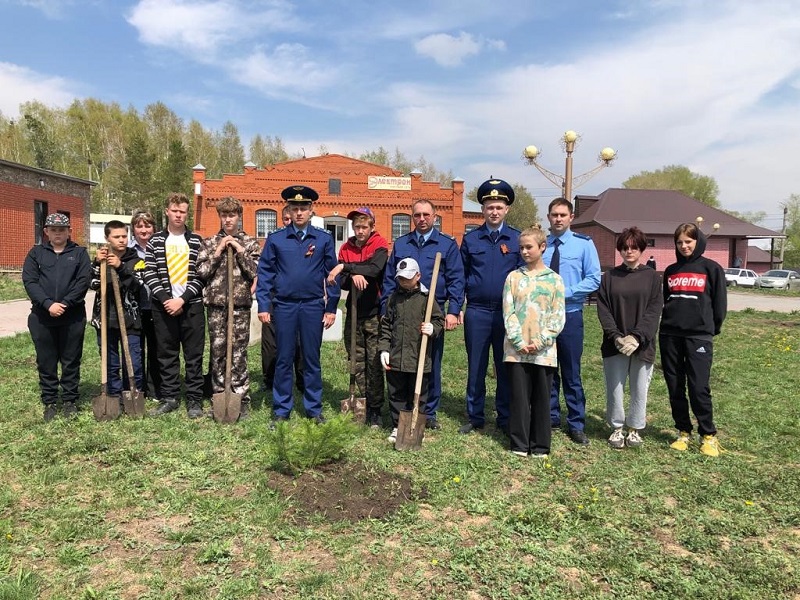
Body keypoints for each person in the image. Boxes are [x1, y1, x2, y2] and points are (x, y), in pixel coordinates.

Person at [256, 185, 340, 424]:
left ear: (311, 210)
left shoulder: (323, 239)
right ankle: (282, 409)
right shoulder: (276, 239)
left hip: (313, 306)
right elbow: (265, 274)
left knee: (311, 359)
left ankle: (313, 409)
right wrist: (263, 305)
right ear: (289, 211)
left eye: (304, 208)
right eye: (295, 208)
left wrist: (331, 307)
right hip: (284, 306)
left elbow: (332, 275)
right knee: (283, 358)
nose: (300, 212)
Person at [381, 199, 464, 430]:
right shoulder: (402, 244)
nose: (422, 219)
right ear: (412, 217)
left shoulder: (446, 244)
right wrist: (384, 310)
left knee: (431, 362)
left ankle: (428, 411)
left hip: (431, 311)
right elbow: (389, 279)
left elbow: (457, 278)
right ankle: (403, 407)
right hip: (401, 308)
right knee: (400, 361)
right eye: (417, 215)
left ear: (435, 217)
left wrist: (454, 311)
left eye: (426, 215)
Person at [459, 178, 523, 435]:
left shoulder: (517, 239)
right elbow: (461, 275)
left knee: (505, 364)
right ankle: (475, 416)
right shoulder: (471, 239)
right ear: (483, 210)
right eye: (489, 207)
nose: (494, 212)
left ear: (506, 209)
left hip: (507, 313)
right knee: (476, 365)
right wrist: (457, 308)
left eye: (498, 207)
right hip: (477, 311)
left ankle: (505, 417)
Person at [660, 222, 727, 457]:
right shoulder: (671, 270)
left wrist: (710, 329)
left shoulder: (712, 268)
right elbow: (667, 300)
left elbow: (719, 304)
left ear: (698, 241)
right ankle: (683, 431)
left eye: (688, 241)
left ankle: (708, 435)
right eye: (679, 242)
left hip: (699, 336)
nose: (684, 246)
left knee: (699, 387)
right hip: (670, 335)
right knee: (675, 386)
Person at [596, 227, 663, 449]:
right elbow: (603, 309)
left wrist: (637, 337)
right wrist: (616, 337)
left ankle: (634, 429)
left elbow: (654, 310)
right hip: (615, 344)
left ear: (641, 249)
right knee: (615, 388)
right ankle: (616, 428)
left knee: (639, 388)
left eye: (633, 247)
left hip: (642, 345)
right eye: (625, 247)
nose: (629, 251)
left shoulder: (652, 277)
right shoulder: (610, 278)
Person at [542, 197, 601, 445]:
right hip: (543, 317)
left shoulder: (584, 245)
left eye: (562, 215)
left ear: (571, 218)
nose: (558, 219)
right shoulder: (541, 245)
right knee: (547, 369)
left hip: (570, 314)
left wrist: (563, 292)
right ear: (548, 217)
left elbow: (594, 279)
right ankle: (552, 417)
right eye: (554, 215)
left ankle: (576, 423)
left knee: (571, 372)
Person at [22, 213, 92, 421]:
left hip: (72, 316)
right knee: (46, 360)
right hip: (42, 317)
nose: (58, 233)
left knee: (71, 360)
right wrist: (48, 304)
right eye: (53, 230)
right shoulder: (35, 254)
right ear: (46, 232)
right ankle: (50, 401)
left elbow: (83, 281)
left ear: (69, 231)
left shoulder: (79, 254)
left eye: (62, 229)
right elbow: (30, 281)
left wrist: (66, 303)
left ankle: (70, 400)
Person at [503, 226, 565, 458]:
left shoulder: (555, 280)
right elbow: (508, 312)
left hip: (544, 351)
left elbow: (557, 317)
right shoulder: (513, 277)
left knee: (541, 397)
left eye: (529, 247)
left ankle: (540, 445)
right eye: (521, 248)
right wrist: (519, 340)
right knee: (519, 397)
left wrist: (540, 342)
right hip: (516, 350)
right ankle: (519, 443)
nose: (524, 252)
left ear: (542, 247)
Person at [197, 197, 261, 419]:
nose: (228, 220)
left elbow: (256, 272)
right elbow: (202, 272)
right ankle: (219, 395)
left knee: (238, 353)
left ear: (239, 216)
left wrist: (239, 250)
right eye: (224, 215)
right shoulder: (209, 242)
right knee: (218, 351)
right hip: (216, 306)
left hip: (240, 306)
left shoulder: (251, 243)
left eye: (232, 215)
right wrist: (219, 251)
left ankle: (241, 398)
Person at [143, 193, 206, 418]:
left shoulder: (197, 241)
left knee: (194, 355)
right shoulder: (156, 241)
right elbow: (149, 272)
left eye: (183, 212)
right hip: (163, 307)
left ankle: (194, 400)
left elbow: (202, 275)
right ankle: (169, 397)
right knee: (166, 354)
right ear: (167, 212)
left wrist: (183, 298)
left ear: (187, 214)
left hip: (192, 307)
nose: (179, 215)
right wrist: (166, 299)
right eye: (175, 211)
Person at [327, 206, 389, 427]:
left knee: (374, 362)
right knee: (356, 360)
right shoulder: (346, 247)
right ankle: (360, 399)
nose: (360, 231)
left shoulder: (379, 245)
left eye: (364, 226)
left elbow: (375, 269)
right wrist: (352, 274)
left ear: (372, 227)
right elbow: (339, 279)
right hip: (353, 312)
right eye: (356, 227)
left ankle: (375, 408)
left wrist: (348, 267)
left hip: (373, 313)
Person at [378, 258, 445, 443]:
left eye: (408, 278)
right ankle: (397, 425)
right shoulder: (393, 299)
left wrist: (433, 328)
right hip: (397, 357)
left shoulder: (427, 299)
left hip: (418, 358)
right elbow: (386, 326)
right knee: (396, 393)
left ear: (418, 276)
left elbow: (439, 320)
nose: (404, 282)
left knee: (419, 395)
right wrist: (384, 349)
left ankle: (416, 425)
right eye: (400, 278)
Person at [90, 220, 146, 403]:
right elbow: (92, 284)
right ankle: (114, 397)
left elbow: (138, 286)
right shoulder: (100, 261)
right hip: (105, 318)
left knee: (133, 361)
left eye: (124, 236)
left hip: (130, 319)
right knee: (110, 362)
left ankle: (132, 394)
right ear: (107, 238)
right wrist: (98, 264)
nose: (122, 240)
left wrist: (121, 267)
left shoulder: (136, 260)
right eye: (117, 237)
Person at [260, 205, 305, 395]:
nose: (289, 221)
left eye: (290, 218)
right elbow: (265, 271)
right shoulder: (276, 240)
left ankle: (301, 381)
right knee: (271, 344)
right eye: (286, 219)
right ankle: (270, 379)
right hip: (274, 299)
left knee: (300, 344)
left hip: (296, 301)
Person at [129, 210, 162, 402]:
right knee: (136, 349)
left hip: (156, 305)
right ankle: (137, 387)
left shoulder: (159, 247)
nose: (144, 230)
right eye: (139, 226)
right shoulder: (128, 251)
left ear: (154, 228)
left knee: (156, 348)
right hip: (135, 308)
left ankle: (154, 388)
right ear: (133, 229)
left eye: (147, 225)